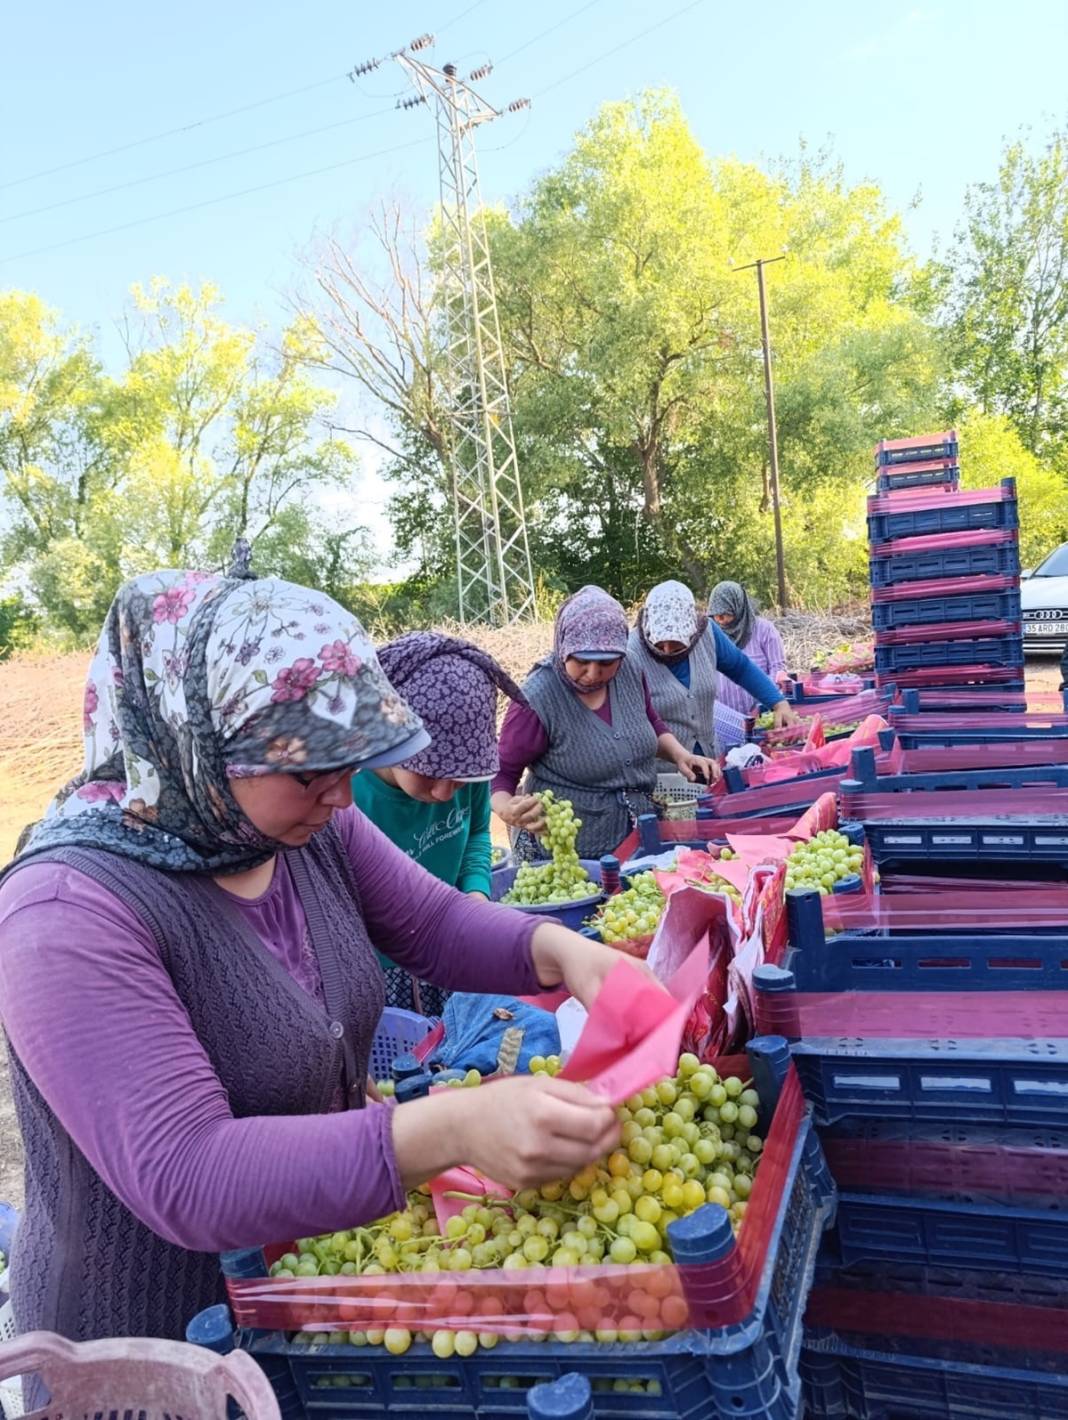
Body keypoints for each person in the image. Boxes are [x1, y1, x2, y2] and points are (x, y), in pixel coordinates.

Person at [0, 564, 632, 1346]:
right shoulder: (66, 913)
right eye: (308, 769)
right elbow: (188, 1171)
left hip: (303, 1291)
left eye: (350, 761)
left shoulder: (298, 828)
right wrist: (452, 1129)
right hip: (156, 1345)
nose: (341, 795)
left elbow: (432, 923)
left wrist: (562, 951)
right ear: (197, 740)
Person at [355, 631, 523, 1016]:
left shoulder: (469, 778)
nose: (447, 793)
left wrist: (476, 897)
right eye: (430, 775)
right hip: (378, 969)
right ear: (391, 741)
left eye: (461, 778)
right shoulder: (348, 797)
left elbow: (478, 834)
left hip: (449, 949)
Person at [492, 586, 720, 861]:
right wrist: (506, 808)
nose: (593, 674)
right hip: (570, 856)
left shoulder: (630, 669)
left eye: (606, 662)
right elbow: (501, 774)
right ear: (563, 647)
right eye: (582, 662)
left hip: (638, 841)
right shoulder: (538, 698)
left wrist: (680, 755)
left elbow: (649, 721)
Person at [629, 580, 799, 768]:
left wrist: (778, 703)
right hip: (664, 774)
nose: (668, 650)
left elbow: (741, 668)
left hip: (711, 761)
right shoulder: (632, 653)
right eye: (660, 644)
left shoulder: (707, 633)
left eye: (677, 643)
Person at [708, 581, 794, 748]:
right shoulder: (711, 636)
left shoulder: (764, 631)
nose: (720, 620)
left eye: (725, 614)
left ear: (738, 608)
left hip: (761, 718)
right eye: (716, 616)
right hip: (727, 724)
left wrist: (766, 703)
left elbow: (777, 669)